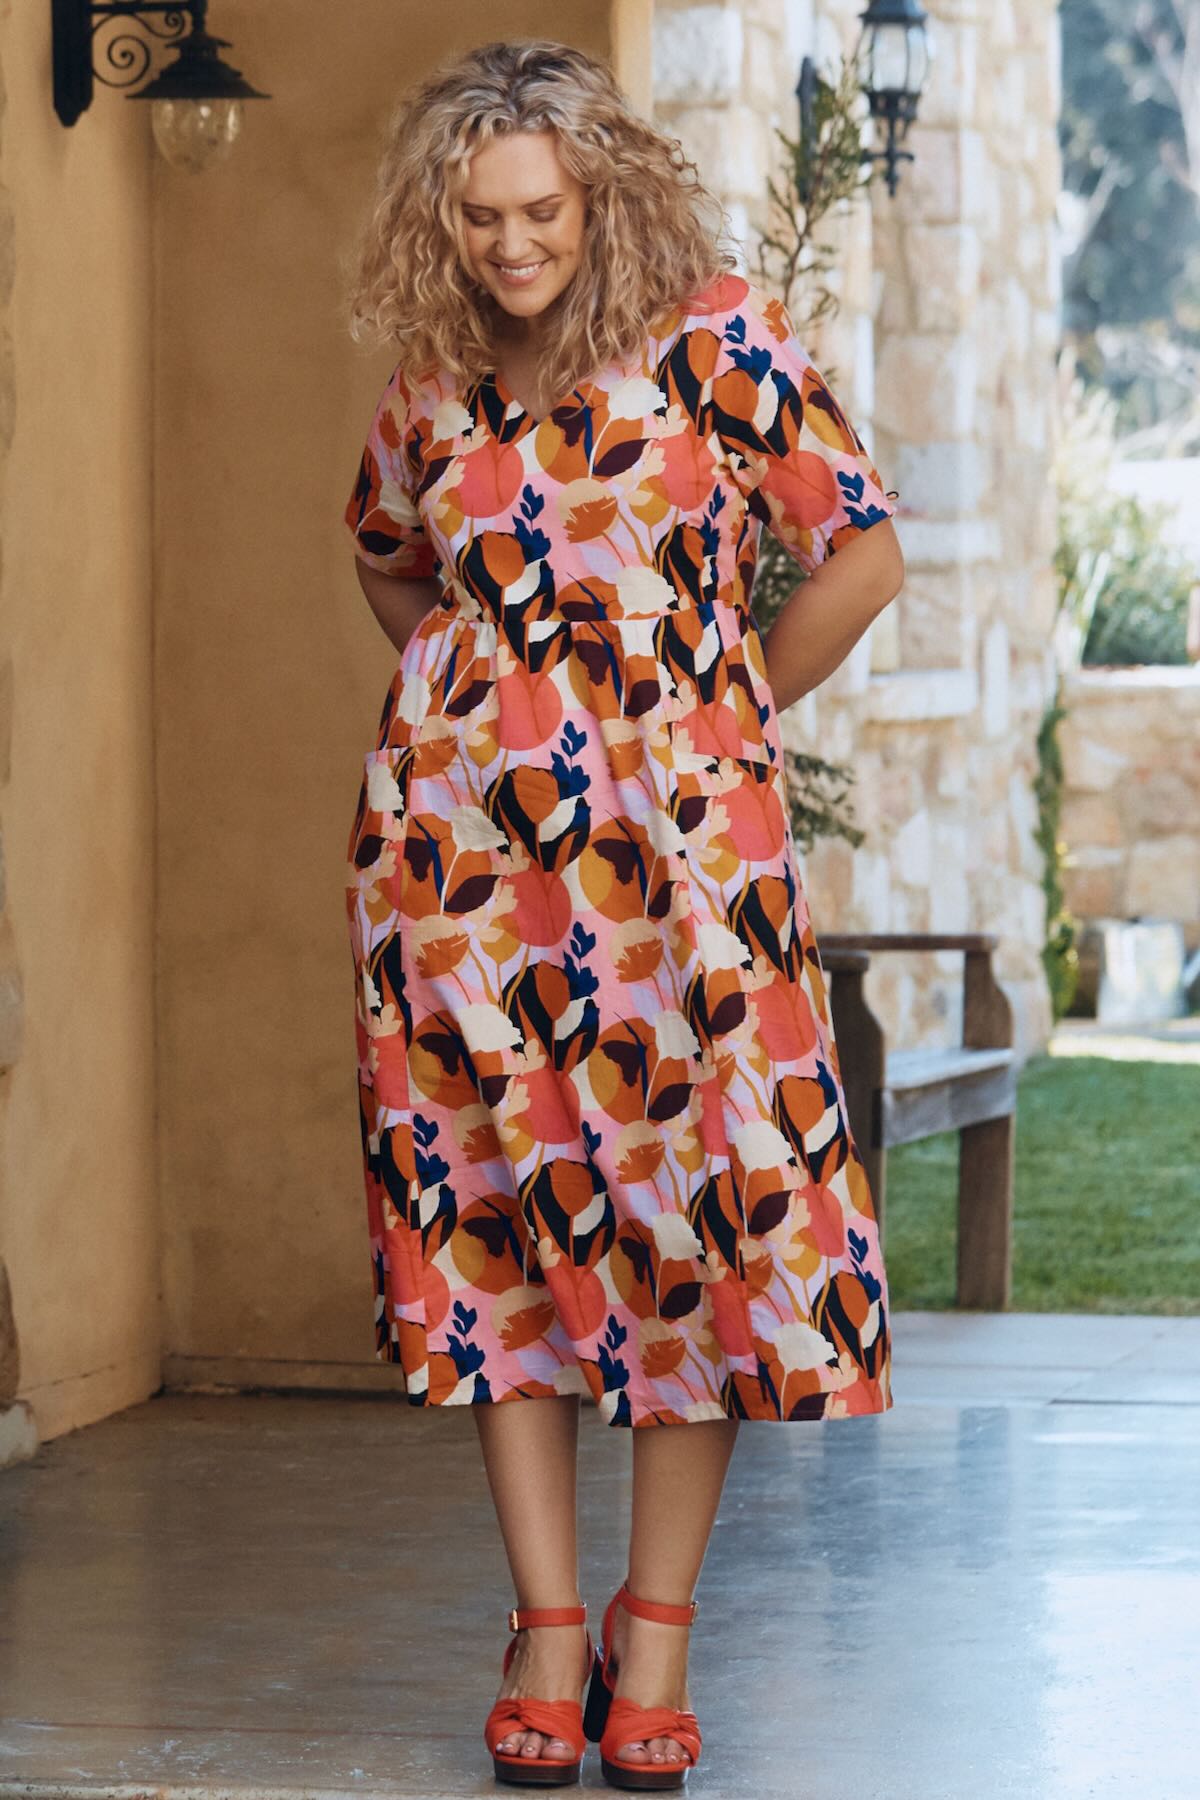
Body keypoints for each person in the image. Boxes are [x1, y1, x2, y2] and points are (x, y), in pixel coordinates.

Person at [340, 39, 904, 1792]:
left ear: (603, 196)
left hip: (683, 876)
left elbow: (863, 550)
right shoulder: (435, 379)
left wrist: (711, 723)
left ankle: (654, 1637)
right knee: (492, 1229)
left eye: (541, 211)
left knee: (693, 1226)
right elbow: (385, 551)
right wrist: (479, 712)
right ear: (444, 218)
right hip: (461, 882)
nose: (511, 245)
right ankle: (545, 1629)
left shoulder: (716, 338)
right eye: (479, 216)